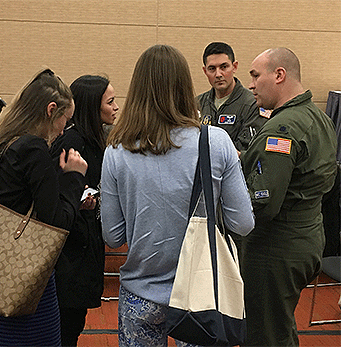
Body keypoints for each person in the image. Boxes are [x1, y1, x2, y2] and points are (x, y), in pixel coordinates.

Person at [100, 44, 254, 347]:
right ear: (186, 85)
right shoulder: (216, 141)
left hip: (140, 291)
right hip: (201, 293)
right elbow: (243, 223)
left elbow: (113, 235)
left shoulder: (116, 149)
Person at [0, 68, 88, 346]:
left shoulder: (2, 141)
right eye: (64, 120)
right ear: (50, 110)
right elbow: (55, 224)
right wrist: (73, 179)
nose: (63, 129)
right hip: (25, 275)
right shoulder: (33, 149)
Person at [240, 47, 337, 346]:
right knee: (279, 325)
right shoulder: (317, 118)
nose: (251, 84)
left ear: (279, 75)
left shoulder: (282, 129)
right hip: (306, 238)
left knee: (264, 334)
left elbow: (263, 202)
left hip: (274, 248)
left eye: (256, 76)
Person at [50, 75, 119, 346]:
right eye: (110, 101)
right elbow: (58, 194)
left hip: (86, 241)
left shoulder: (95, 139)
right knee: (66, 322)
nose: (116, 107)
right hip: (70, 249)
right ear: (92, 106)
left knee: (74, 321)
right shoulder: (72, 142)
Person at [198, 42, 269, 151]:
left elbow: (248, 149)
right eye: (212, 68)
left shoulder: (253, 104)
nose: (218, 74)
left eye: (224, 67)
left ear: (234, 67)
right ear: (205, 71)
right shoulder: (197, 104)